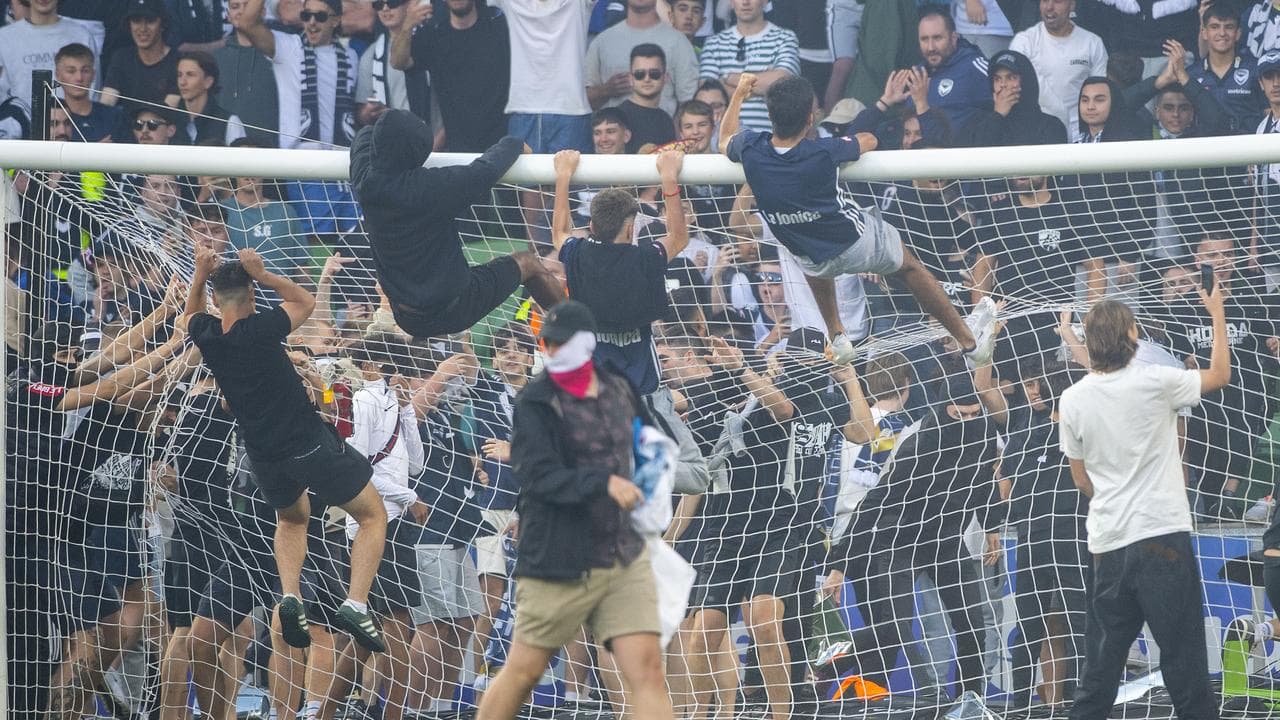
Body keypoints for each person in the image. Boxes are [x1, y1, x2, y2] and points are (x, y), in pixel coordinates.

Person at [184, 245, 389, 653]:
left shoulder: (207, 335)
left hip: (263, 454)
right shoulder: (261, 331)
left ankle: (290, 594)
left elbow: (189, 317)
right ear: (253, 295)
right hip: (307, 442)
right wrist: (264, 274)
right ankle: (356, 602)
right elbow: (305, 301)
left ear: (215, 300)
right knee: (372, 516)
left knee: (292, 520)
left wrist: (199, 274)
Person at [475, 300, 673, 720]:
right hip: (556, 557)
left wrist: (656, 477)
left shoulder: (619, 385)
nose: (556, 351)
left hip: (621, 554)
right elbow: (537, 475)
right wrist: (602, 482)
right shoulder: (536, 399)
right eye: (550, 343)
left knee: (647, 670)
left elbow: (652, 442)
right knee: (524, 671)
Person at [720, 72, 985, 364]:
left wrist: (739, 94)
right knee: (908, 268)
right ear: (811, 119)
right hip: (854, 242)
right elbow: (868, 139)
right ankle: (969, 341)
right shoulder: (823, 151)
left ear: (771, 116)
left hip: (809, 254)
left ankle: (836, 334)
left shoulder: (752, 149)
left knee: (809, 251)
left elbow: (724, 138)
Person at [1060, 294, 1230, 720]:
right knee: (1184, 663)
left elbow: (1081, 480)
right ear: (1133, 335)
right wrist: (1216, 314)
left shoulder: (1073, 399)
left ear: (1092, 342)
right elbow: (1221, 375)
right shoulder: (1158, 380)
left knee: (1098, 673)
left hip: (1109, 543)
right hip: (1161, 537)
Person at [551, 148, 711, 495]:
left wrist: (563, 176)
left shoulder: (578, 256)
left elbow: (560, 233)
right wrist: (669, 177)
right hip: (646, 398)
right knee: (698, 476)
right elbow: (680, 237)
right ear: (631, 228)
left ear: (591, 226)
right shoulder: (645, 259)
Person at [349, 108, 563, 338]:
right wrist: (515, 143)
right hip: (456, 308)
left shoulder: (365, 179)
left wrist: (378, 126)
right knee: (527, 262)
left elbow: (362, 140)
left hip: (405, 316)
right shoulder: (431, 187)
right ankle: (574, 328)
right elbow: (486, 169)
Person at [389, 0, 510, 152]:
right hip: (458, 150)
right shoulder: (434, 34)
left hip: (503, 143)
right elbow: (398, 62)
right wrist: (407, 25)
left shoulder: (497, 25)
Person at [1009, 0, 1108, 139]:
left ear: (1072, 5)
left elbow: (1102, 93)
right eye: (1044, 1)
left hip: (1080, 136)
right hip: (1035, 132)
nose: (1049, 7)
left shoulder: (1092, 43)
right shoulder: (1024, 42)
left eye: (1057, 1)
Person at [698, 0, 800, 132]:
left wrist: (728, 78)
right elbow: (706, 94)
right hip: (724, 141)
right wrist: (763, 85)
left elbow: (783, 85)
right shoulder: (713, 43)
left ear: (765, 2)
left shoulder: (785, 38)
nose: (745, 2)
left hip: (771, 138)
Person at [585, 0, 699, 114]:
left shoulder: (679, 42)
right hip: (612, 129)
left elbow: (689, 105)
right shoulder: (602, 41)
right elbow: (581, 102)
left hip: (662, 131)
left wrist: (671, 130)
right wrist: (606, 90)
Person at [0, 0, 97, 115]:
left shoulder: (81, 35)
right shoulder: (5, 38)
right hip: (20, 128)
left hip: (71, 127)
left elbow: (93, 89)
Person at [956, 48, 1068, 146]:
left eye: (1011, 77)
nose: (1003, 84)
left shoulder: (1050, 126)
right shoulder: (978, 124)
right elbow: (978, 160)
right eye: (997, 79)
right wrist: (997, 116)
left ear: (1026, 81)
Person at [1189, 2, 1265, 134]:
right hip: (1205, 149)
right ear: (1204, 32)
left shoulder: (1256, 69)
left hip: (1249, 149)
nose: (1222, 33)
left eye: (1229, 27)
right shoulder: (1191, 74)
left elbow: (1271, 113)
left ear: (1238, 33)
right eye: (1215, 27)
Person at [213, 0, 281, 146]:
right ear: (228, 14)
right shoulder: (216, 57)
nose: (242, 12)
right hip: (228, 151)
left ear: (262, 12)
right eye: (235, 6)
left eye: (247, 6)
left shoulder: (278, 54)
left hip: (270, 149)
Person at [917, 3, 991, 133]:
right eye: (924, 39)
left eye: (937, 38)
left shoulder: (974, 67)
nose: (930, 47)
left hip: (959, 151)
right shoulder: (916, 74)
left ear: (953, 38)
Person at [355, 0, 429, 128]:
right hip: (394, 140)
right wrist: (369, 112)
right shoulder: (370, 55)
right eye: (378, 5)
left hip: (437, 140)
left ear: (410, 4)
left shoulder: (431, 40)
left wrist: (437, 142)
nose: (385, 9)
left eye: (393, 2)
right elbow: (361, 113)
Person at [102, 0, 179, 113]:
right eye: (136, 21)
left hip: (162, 127)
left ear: (163, 25)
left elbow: (166, 113)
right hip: (127, 128)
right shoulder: (121, 58)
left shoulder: (178, 61)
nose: (143, 29)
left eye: (150, 21)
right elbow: (107, 102)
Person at [172, 51, 248, 146]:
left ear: (208, 81)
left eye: (190, 75)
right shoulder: (171, 120)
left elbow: (239, 159)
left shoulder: (229, 122)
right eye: (179, 75)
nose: (182, 82)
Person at [619, 44, 679, 152]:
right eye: (639, 74)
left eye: (654, 74)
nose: (647, 79)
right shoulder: (618, 118)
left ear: (665, 78)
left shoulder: (667, 121)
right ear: (630, 78)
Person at [54, 42, 119, 142]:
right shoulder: (52, 119)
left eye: (85, 71)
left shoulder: (114, 117)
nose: (79, 78)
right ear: (58, 75)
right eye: (71, 71)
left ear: (93, 75)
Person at [1258, 51, 1280, 268]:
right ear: (1260, 83)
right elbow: (1259, 193)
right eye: (1269, 76)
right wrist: (1255, 243)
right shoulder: (1260, 128)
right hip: (1271, 238)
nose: (1276, 83)